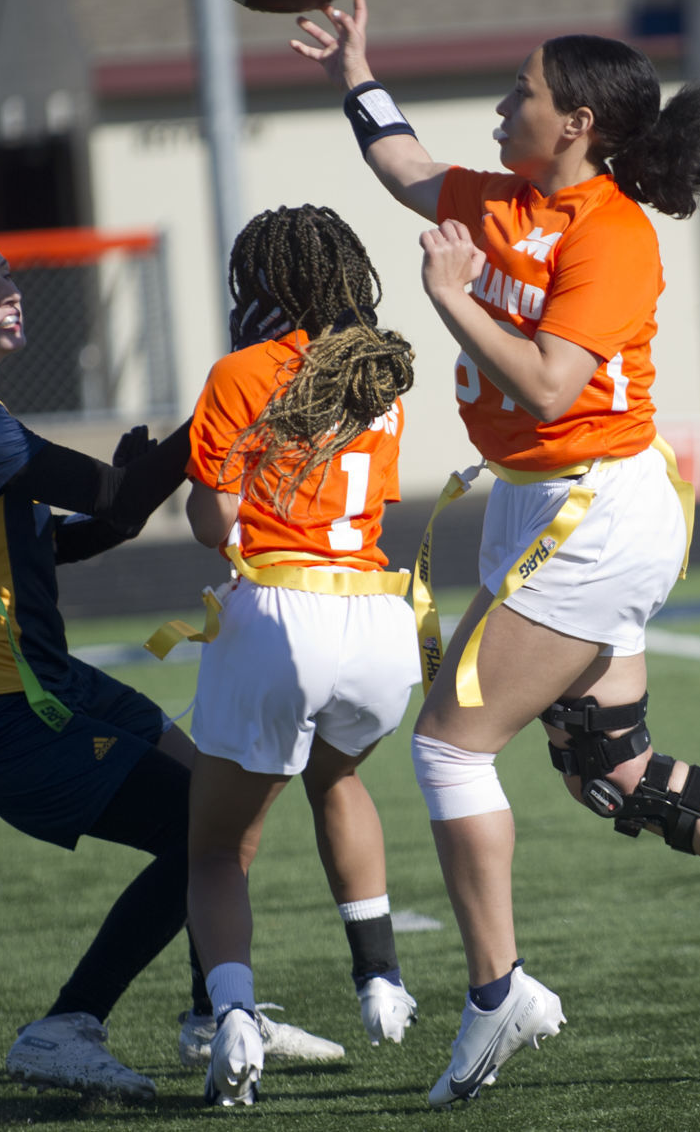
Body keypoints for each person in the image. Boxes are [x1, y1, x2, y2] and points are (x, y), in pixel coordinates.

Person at [295, 0, 700, 1107]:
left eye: (520, 92)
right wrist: (355, 73)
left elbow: (547, 382)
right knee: (608, 769)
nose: (500, 106)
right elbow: (402, 163)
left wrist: (450, 298)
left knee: (448, 750)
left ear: (576, 122)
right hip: (546, 505)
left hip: (595, 513)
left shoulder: (612, 234)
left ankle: (497, 992)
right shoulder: (502, 197)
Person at [0, 216, 342, 1103]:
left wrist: (134, 498)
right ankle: (66, 1025)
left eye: (5, 275)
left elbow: (84, 530)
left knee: (218, 806)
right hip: (1, 706)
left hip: (45, 681)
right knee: (198, 830)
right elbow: (113, 491)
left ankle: (215, 1013)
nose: (6, 293)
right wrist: (236, 387)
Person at [170, 205, 422, 1107]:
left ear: (264, 283)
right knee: (338, 779)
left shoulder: (242, 371)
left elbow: (213, 523)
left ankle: (232, 1017)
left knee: (215, 850)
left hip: (281, 611)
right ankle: (382, 980)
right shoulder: (378, 375)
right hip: (377, 617)